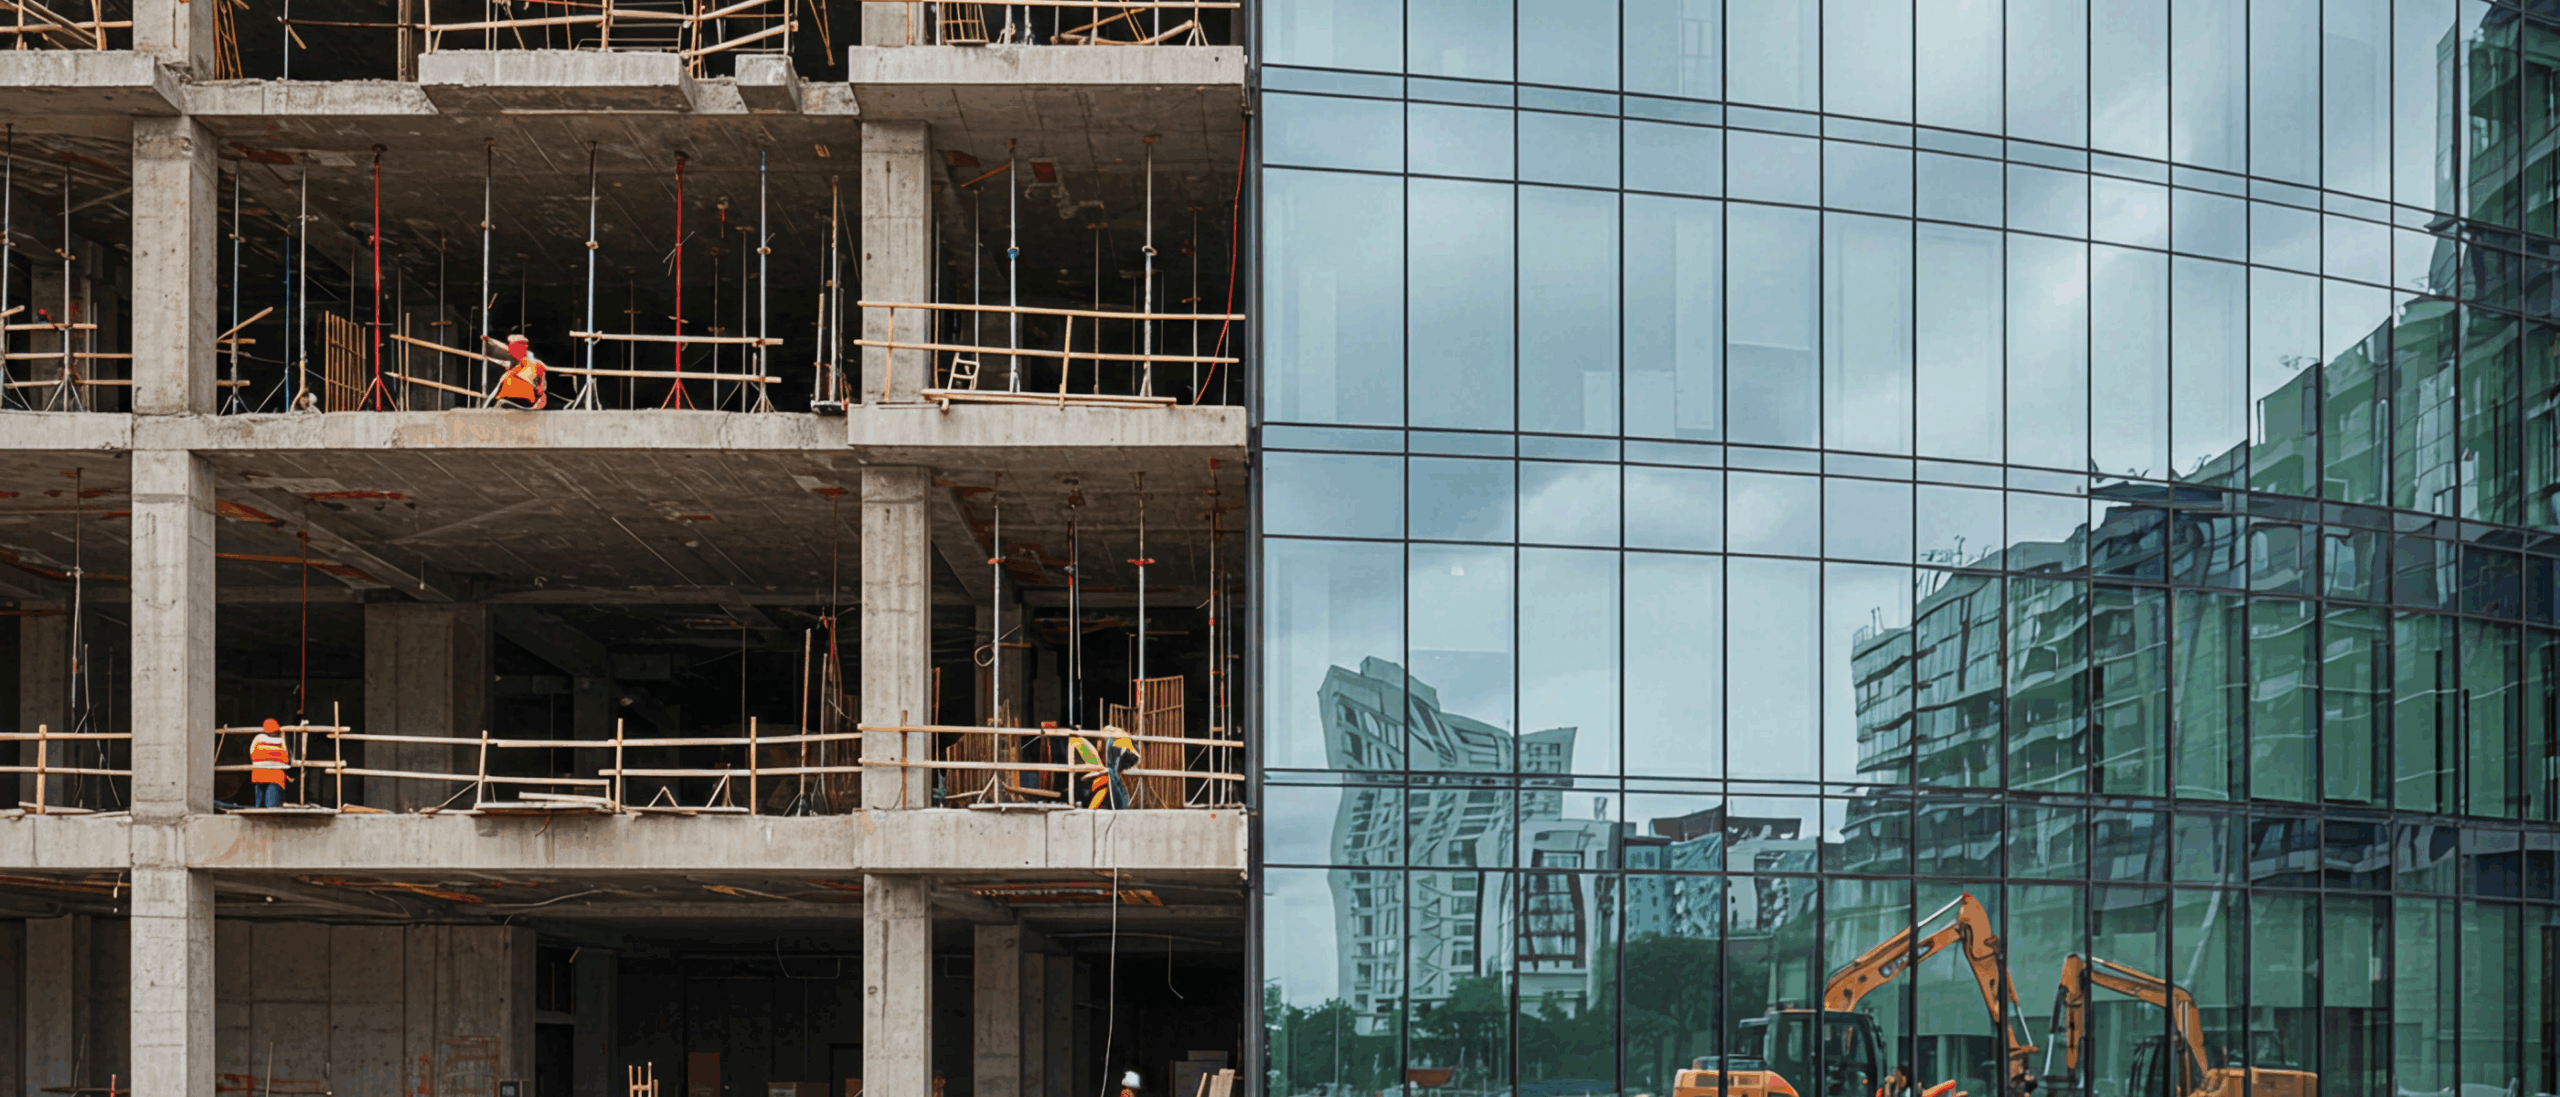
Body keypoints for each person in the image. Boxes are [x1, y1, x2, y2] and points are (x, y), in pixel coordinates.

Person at [493, 333, 548, 409]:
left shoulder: (536, 364)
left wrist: (541, 389)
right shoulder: (514, 367)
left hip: (524, 399)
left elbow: (542, 383)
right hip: (507, 398)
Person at [248, 718, 292, 808]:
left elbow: (252, 755)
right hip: (274, 777)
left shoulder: (257, 739)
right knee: (271, 808)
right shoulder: (282, 741)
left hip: (259, 775)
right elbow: (287, 759)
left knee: (260, 808)